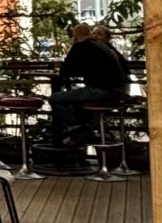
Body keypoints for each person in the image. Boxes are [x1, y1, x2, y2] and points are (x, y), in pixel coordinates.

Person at [48, 23, 131, 152]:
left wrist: (72, 50)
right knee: (71, 103)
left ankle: (77, 130)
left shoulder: (81, 45)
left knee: (55, 98)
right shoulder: (102, 46)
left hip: (101, 90)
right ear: (90, 34)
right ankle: (81, 132)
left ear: (75, 37)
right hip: (117, 92)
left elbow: (65, 71)